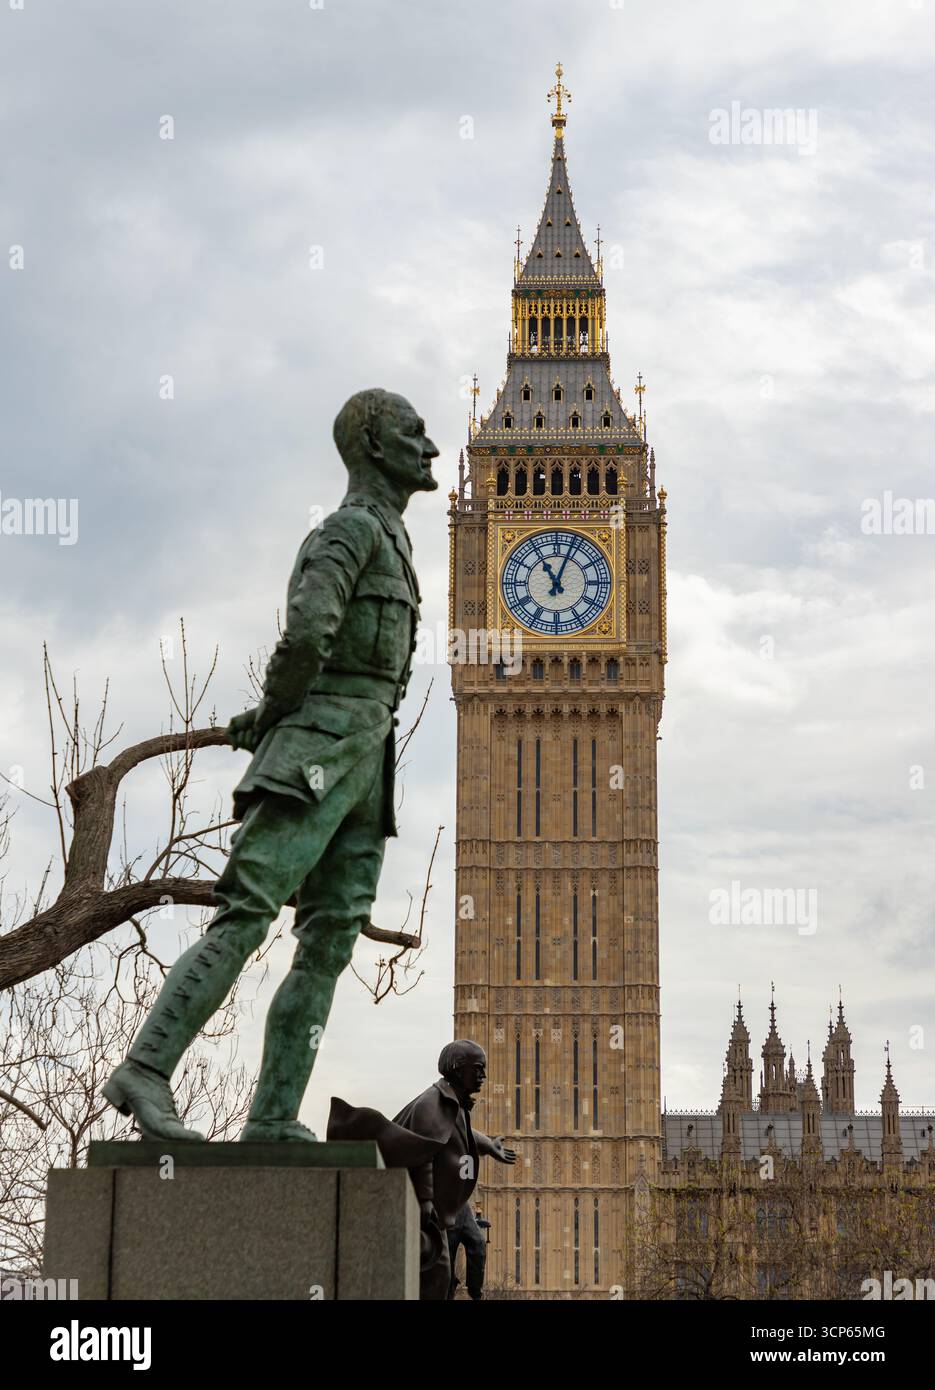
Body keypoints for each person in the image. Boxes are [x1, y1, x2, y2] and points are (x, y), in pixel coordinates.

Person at [103, 389, 439, 1142]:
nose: (432, 448)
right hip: (314, 751)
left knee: (328, 943)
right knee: (248, 911)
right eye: (415, 433)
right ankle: (146, 1069)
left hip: (366, 764)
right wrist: (274, 712)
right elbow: (307, 635)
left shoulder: (394, 541)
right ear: (375, 447)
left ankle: (273, 1117)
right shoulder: (347, 532)